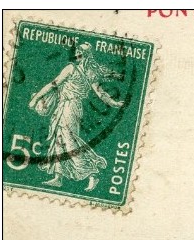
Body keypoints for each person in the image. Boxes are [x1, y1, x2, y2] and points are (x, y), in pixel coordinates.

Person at [27, 42, 124, 191]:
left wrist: (35, 99)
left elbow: (53, 84)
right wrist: (114, 103)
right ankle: (58, 177)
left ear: (84, 55)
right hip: (69, 107)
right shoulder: (90, 73)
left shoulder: (71, 68)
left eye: (79, 52)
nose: (76, 55)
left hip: (69, 107)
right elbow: (101, 94)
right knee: (59, 139)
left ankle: (92, 173)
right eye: (76, 52)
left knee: (69, 141)